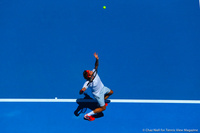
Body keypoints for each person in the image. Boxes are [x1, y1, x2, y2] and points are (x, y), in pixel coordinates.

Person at [79, 52, 113, 121]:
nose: (91, 71)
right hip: (98, 95)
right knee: (103, 108)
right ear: (89, 76)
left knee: (111, 92)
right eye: (89, 72)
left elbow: (96, 66)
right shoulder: (87, 83)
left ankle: (101, 103)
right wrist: (82, 90)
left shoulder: (94, 72)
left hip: (103, 88)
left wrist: (97, 59)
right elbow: (81, 91)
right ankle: (88, 115)